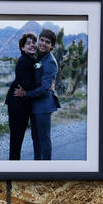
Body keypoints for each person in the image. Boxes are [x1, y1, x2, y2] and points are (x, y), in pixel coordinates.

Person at [20, 29, 60, 160]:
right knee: (35, 138)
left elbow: (44, 89)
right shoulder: (39, 56)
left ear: (52, 46)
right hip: (34, 106)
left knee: (43, 138)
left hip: (43, 106)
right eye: (41, 40)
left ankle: (46, 168)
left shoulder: (50, 61)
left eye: (47, 42)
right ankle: (37, 165)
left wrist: (26, 93)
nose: (43, 43)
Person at [4, 33, 38, 160]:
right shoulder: (23, 61)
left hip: (22, 103)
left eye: (34, 43)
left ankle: (14, 164)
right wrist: (45, 84)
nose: (32, 45)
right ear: (22, 48)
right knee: (17, 138)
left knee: (18, 137)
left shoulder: (32, 60)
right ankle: (13, 167)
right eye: (28, 43)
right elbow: (27, 84)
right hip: (17, 104)